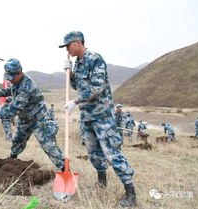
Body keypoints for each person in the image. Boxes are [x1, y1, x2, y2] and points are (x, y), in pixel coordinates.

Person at [59, 31, 136, 207]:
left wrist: (76, 101)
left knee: (112, 153)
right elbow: (77, 85)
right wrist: (70, 73)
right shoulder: (78, 63)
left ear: (78, 42)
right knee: (94, 154)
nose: (67, 49)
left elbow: (97, 87)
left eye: (68, 45)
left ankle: (131, 194)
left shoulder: (95, 59)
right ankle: (102, 183)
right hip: (88, 116)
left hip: (102, 116)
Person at [0, 58, 64, 170]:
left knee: (47, 144)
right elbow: (10, 90)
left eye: (12, 77)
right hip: (25, 118)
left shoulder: (27, 86)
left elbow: (14, 109)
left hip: (38, 119)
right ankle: (12, 161)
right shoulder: (16, 81)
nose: (10, 80)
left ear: (20, 73)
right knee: (17, 140)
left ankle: (64, 168)